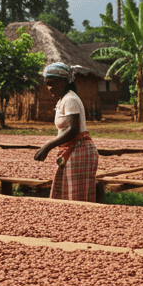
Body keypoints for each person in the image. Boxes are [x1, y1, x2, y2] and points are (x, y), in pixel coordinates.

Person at [32, 63, 99, 201]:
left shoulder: (70, 99)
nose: (50, 88)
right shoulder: (63, 100)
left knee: (77, 198)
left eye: (53, 83)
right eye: (47, 84)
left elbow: (73, 129)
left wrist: (47, 146)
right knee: (65, 194)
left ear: (63, 82)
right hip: (72, 150)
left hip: (80, 151)